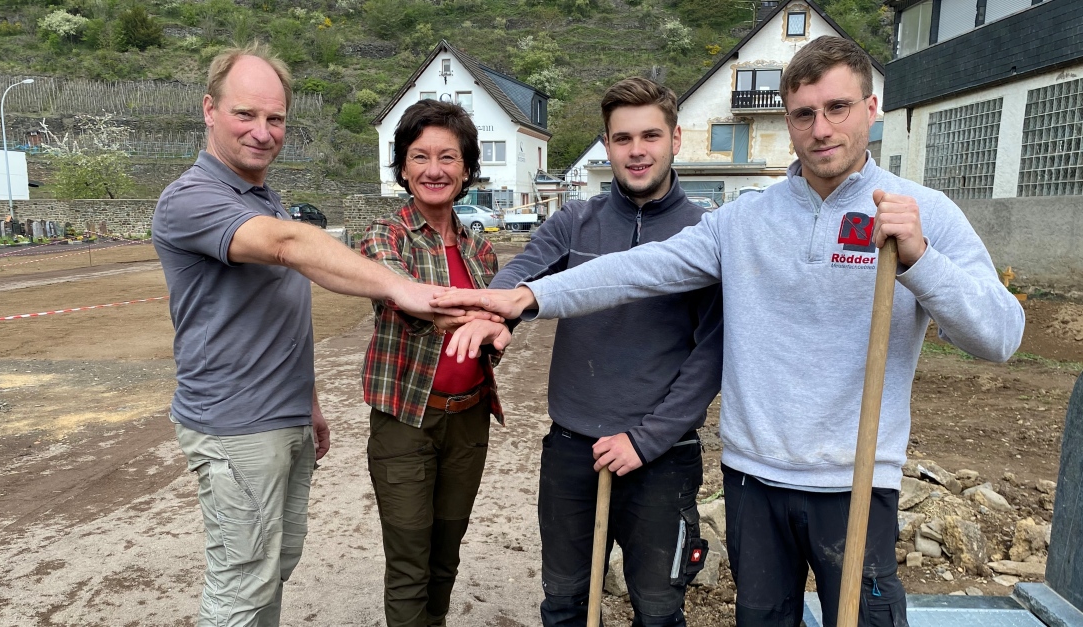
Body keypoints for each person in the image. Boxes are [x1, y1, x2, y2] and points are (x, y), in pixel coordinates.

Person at [434, 36, 1025, 626]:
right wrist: (529, 296)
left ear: (871, 111)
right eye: (804, 114)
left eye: (838, 108)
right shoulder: (742, 221)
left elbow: (1000, 337)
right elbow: (637, 271)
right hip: (754, 481)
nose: (821, 129)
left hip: (857, 482)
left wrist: (922, 259)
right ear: (788, 122)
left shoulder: (923, 212)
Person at [152, 45, 457, 627]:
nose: (263, 132)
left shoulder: (263, 195)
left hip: (282, 416)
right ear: (209, 110)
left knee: (275, 562)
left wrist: (308, 401)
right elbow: (290, 246)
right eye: (246, 114)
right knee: (242, 583)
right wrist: (403, 289)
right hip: (235, 425)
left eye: (275, 119)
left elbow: (276, 310)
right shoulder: (191, 198)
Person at [477, 77, 722, 626]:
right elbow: (523, 272)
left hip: (663, 455)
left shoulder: (706, 233)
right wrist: (501, 313)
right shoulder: (575, 221)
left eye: (651, 135)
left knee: (659, 611)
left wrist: (646, 439)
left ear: (675, 139)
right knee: (564, 603)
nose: (637, 150)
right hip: (571, 450)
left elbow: (711, 355)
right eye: (622, 138)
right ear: (607, 144)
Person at [358, 99, 511, 627]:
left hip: (468, 419)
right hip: (405, 420)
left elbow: (497, 323)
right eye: (419, 156)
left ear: (466, 168)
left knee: (446, 555)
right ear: (403, 167)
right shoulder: (385, 234)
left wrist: (500, 326)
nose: (434, 169)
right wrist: (480, 312)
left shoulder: (478, 250)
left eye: (448, 157)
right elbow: (402, 290)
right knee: (408, 564)